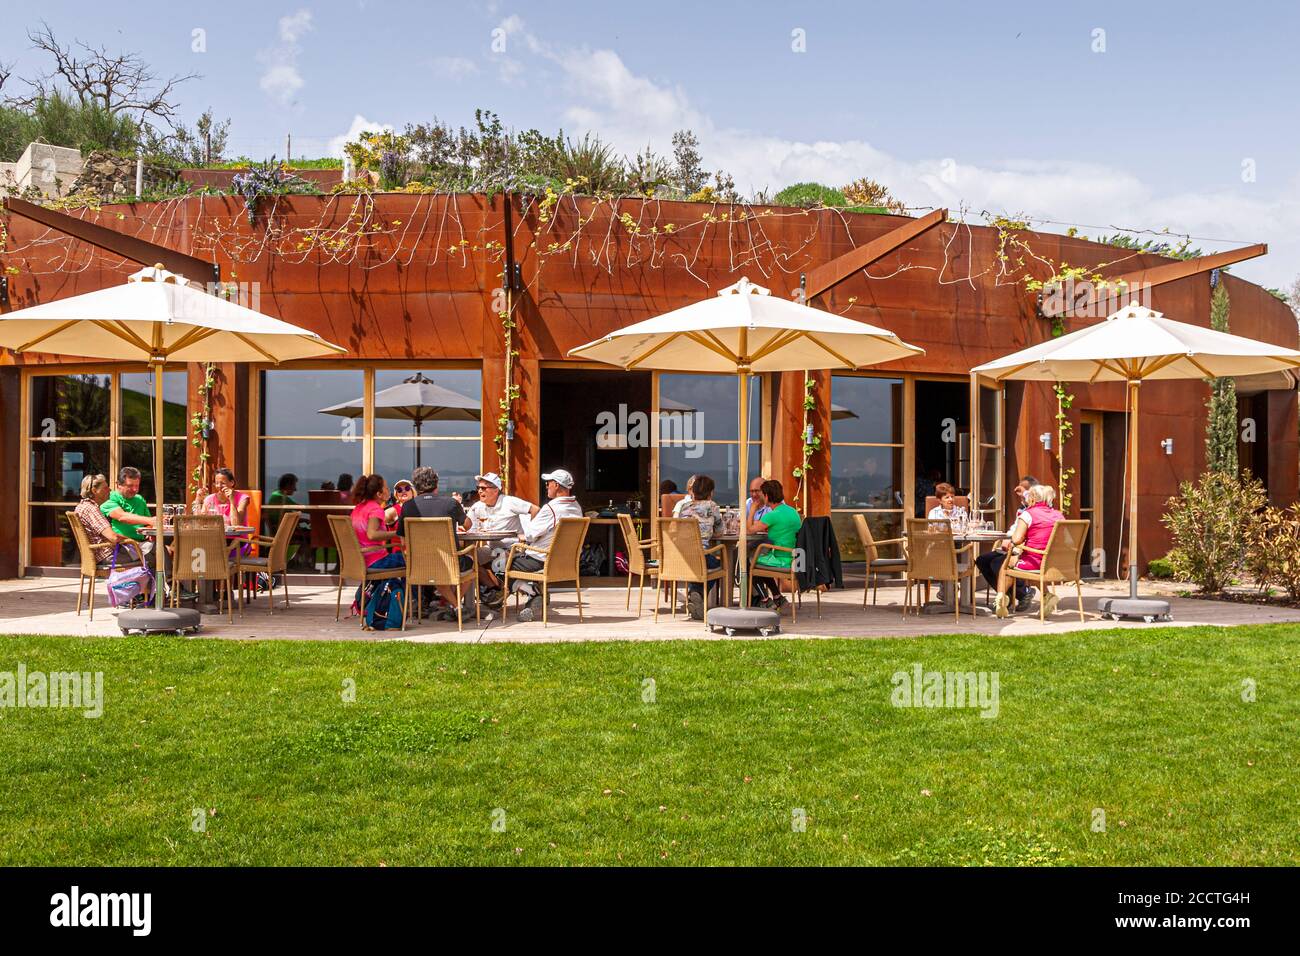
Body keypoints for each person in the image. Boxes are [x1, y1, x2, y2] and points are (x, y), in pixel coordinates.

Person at [395, 466, 472, 620]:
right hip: (449, 562)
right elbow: (467, 525)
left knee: (437, 572)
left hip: (420, 564)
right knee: (471, 561)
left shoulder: (409, 507)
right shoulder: (450, 503)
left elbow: (403, 538)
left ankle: (455, 606)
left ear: (416, 486)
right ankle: (456, 606)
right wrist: (460, 509)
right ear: (436, 483)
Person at [508, 468, 583, 622]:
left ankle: (535, 593)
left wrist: (522, 532)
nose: (546, 486)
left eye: (548, 483)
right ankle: (534, 598)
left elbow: (530, 534)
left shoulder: (551, 508)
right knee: (515, 558)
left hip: (542, 559)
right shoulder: (576, 507)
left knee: (500, 564)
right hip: (565, 561)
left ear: (556, 485)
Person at [984, 483, 1064, 617]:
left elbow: (1016, 540)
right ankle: (1047, 596)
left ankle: (1001, 601)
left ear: (1032, 499)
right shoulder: (1058, 516)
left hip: (1036, 561)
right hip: (1056, 563)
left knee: (1007, 566)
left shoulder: (1028, 514)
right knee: (1024, 565)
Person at [466, 472, 537, 606]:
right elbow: (469, 527)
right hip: (491, 548)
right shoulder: (478, 506)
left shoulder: (509, 501)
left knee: (499, 560)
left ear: (495, 490)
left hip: (512, 548)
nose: (480, 491)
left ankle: (505, 591)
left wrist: (529, 534)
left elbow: (535, 509)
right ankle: (495, 590)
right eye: (479, 488)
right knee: (468, 559)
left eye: (484, 488)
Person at [975, 475, 1038, 610]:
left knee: (997, 563)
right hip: (1013, 546)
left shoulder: (1037, 508)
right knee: (982, 560)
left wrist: (1013, 542)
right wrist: (1007, 538)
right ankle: (1008, 596)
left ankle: (1019, 594)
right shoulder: (1022, 509)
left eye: (1025, 492)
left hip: (1025, 550)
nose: (1021, 495)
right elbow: (1014, 528)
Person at [748, 479, 802, 610]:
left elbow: (748, 529)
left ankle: (765, 600)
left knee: (749, 562)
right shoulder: (792, 511)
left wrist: (753, 509)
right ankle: (777, 597)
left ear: (766, 496)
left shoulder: (772, 515)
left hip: (783, 559)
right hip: (798, 558)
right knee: (759, 561)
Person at [675, 473, 723, 620]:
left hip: (682, 557)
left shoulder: (683, 506)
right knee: (719, 564)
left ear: (692, 492)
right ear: (711, 493)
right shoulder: (712, 506)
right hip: (701, 556)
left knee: (703, 564)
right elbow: (720, 532)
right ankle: (699, 594)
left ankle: (695, 596)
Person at [101, 466, 155, 559]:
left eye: (137, 486)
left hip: (141, 544)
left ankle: (164, 573)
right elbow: (122, 517)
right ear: (118, 484)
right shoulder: (109, 498)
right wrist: (152, 520)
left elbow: (148, 524)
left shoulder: (139, 499)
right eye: (130, 486)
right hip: (120, 546)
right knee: (160, 551)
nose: (134, 489)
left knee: (168, 550)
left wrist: (149, 531)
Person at [74, 474, 129, 564]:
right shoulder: (91, 509)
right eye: (105, 488)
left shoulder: (81, 506)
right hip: (107, 557)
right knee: (149, 554)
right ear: (95, 491)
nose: (110, 490)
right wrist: (132, 541)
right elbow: (113, 537)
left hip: (98, 555)